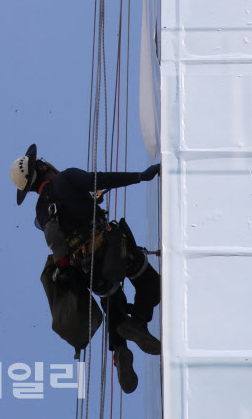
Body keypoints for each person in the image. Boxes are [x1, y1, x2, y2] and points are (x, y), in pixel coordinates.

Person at [11, 143, 161, 395]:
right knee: (150, 286)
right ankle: (140, 321)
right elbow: (97, 179)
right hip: (111, 248)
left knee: (111, 297)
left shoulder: (41, 212)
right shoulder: (66, 177)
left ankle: (121, 349)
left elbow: (55, 235)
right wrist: (139, 176)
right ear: (42, 165)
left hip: (86, 269)